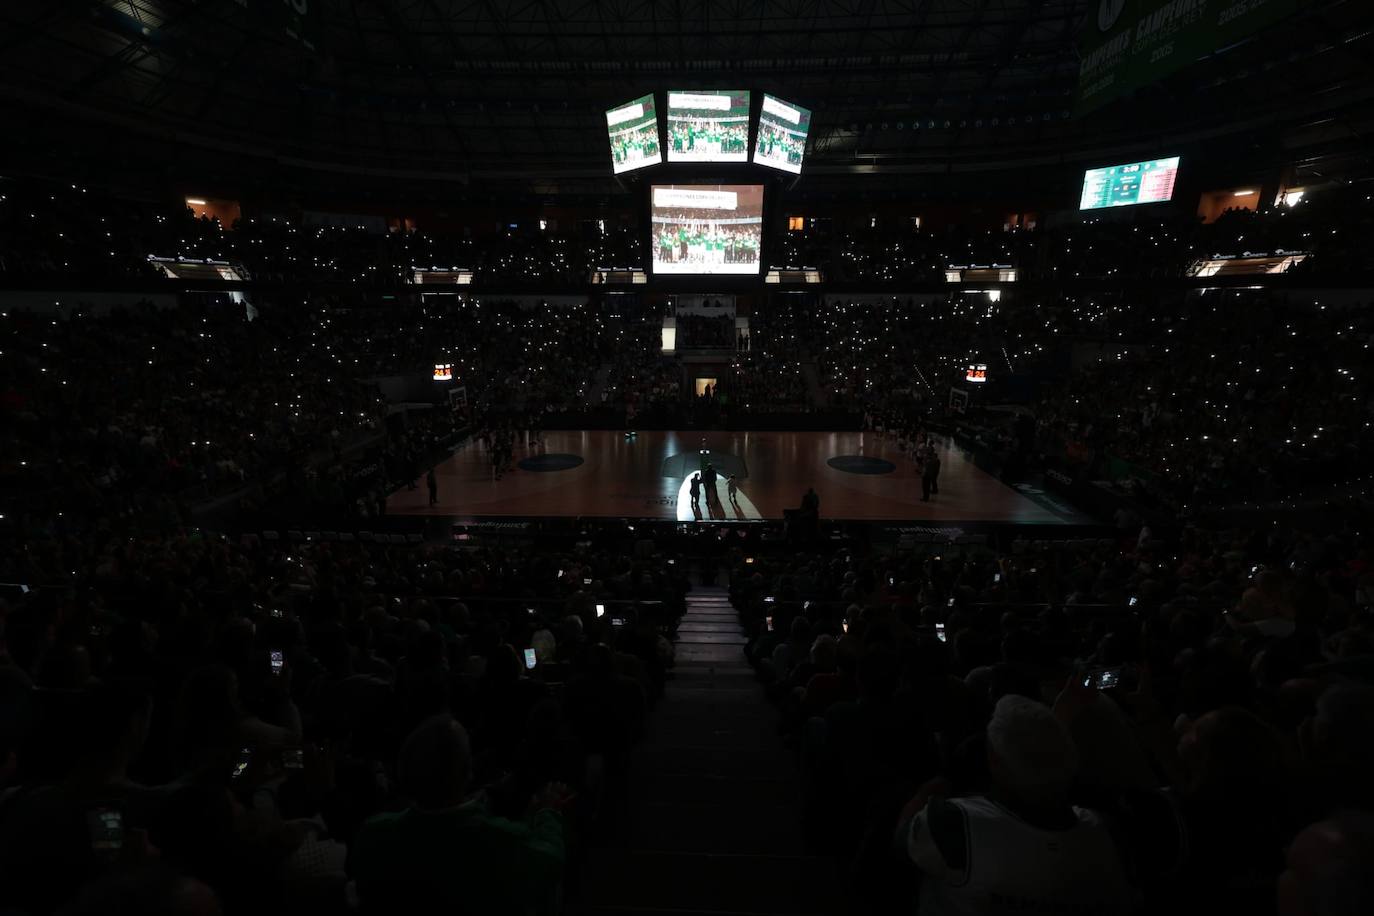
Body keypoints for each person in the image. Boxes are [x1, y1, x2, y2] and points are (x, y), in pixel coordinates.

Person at [896, 694, 1132, 915]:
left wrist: (935, 785)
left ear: (995, 762)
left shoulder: (952, 825)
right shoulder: (1110, 837)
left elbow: (900, 840)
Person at [349, 715, 568, 915]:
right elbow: (550, 860)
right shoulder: (499, 839)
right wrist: (548, 812)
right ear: (467, 772)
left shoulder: (373, 834)